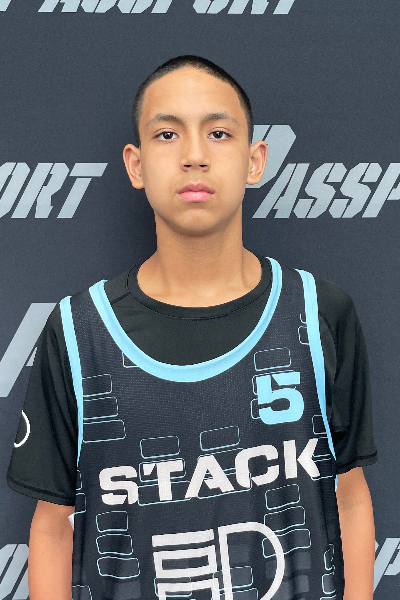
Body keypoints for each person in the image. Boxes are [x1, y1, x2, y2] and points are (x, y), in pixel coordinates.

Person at [7, 55, 377, 600]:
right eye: (167, 134)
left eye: (219, 133)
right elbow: (53, 526)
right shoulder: (78, 331)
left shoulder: (319, 311)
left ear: (255, 161)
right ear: (136, 165)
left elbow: (349, 494)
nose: (195, 155)